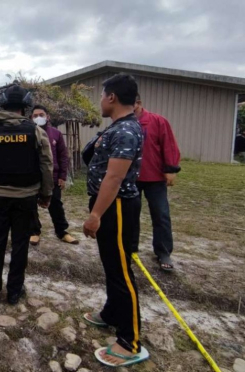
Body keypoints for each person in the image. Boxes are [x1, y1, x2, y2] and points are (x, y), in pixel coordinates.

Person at [81, 73, 148, 367]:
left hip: (117, 208)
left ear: (111, 97)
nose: (100, 100)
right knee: (111, 265)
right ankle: (111, 313)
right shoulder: (117, 127)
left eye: (101, 95)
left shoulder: (126, 131)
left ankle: (130, 341)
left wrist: (95, 214)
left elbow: (115, 176)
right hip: (110, 205)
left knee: (121, 271)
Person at [0, 85, 54, 306]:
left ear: (4, 105)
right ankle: (14, 292)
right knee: (20, 245)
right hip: (26, 199)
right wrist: (46, 194)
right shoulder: (37, 132)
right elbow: (47, 165)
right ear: (24, 108)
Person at [133, 95, 181, 271]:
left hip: (155, 178)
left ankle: (163, 252)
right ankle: (131, 248)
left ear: (138, 104)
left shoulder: (157, 121)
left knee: (161, 215)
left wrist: (171, 169)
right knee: (131, 215)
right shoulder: (124, 123)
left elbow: (169, 145)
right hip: (132, 178)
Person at [29, 105, 79, 246]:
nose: (39, 117)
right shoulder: (29, 134)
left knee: (56, 204)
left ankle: (62, 232)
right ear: (31, 118)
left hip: (53, 176)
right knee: (31, 205)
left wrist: (62, 176)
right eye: (35, 115)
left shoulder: (56, 134)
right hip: (33, 177)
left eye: (41, 114)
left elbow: (63, 156)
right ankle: (34, 232)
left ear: (47, 116)